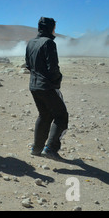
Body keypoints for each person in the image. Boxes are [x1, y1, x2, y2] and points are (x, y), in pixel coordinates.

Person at [25, 17, 68, 161]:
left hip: (34, 85)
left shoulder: (31, 43)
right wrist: (57, 80)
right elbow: (53, 68)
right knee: (61, 116)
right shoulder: (49, 43)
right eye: (54, 27)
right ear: (51, 28)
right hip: (47, 86)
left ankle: (36, 149)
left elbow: (28, 65)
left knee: (44, 115)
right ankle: (50, 148)